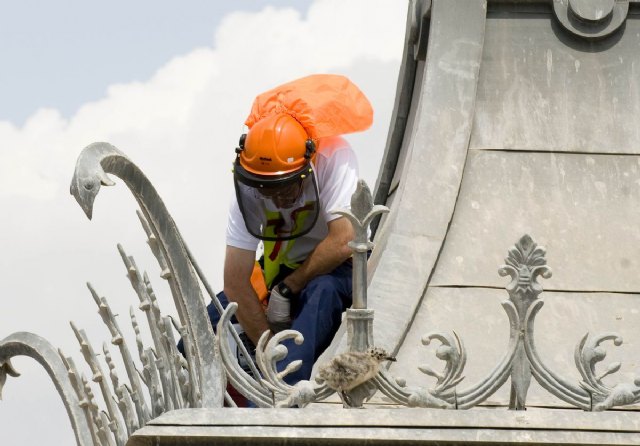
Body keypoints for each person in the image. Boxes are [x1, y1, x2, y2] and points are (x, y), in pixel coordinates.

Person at [209, 74, 373, 387]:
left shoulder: (334, 156)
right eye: (267, 189)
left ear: (308, 163)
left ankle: (287, 390)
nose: (277, 198)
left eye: (286, 187)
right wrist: (267, 344)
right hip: (277, 270)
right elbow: (235, 279)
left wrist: (289, 288)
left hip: (333, 270)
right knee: (209, 323)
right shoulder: (249, 182)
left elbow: (343, 239)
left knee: (320, 297)